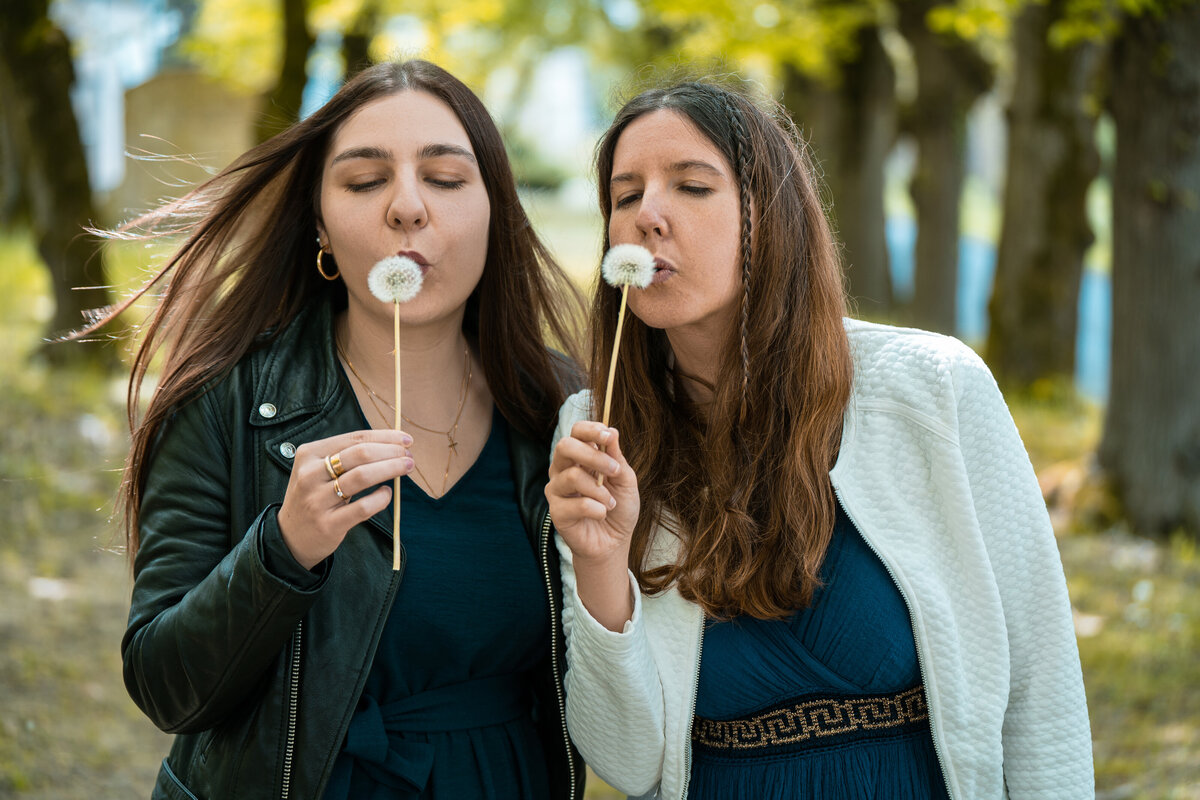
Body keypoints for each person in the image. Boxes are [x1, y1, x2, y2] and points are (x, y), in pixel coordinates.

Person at [545, 78, 1093, 799]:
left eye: (691, 186)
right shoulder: (600, 432)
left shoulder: (931, 389)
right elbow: (626, 760)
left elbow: (1041, 690)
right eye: (624, 195)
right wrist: (601, 566)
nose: (647, 215)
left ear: (767, 214)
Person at [109, 59, 586, 799]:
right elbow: (166, 687)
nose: (406, 207)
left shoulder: (564, 412)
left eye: (447, 179)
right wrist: (283, 549)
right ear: (321, 225)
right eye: (364, 181)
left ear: (496, 209)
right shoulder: (225, 402)